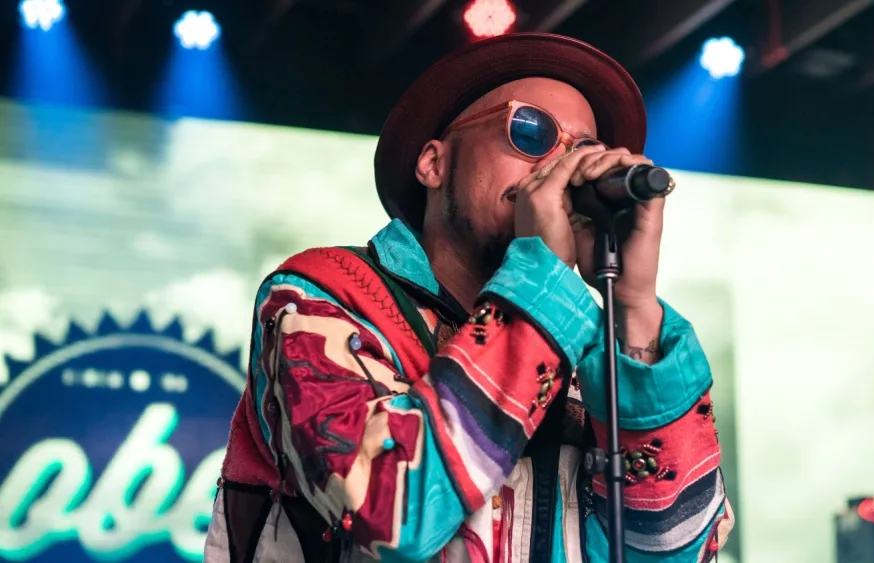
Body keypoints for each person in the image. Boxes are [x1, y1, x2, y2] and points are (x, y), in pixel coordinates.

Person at [204, 32, 733, 563]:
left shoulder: (584, 358)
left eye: (585, 152)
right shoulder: (323, 295)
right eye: (531, 131)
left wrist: (634, 310)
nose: (559, 170)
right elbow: (390, 513)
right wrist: (544, 281)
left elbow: (676, 551)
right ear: (433, 163)